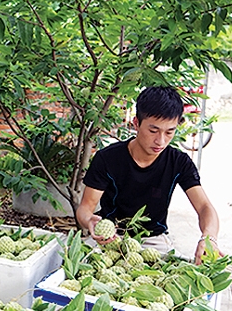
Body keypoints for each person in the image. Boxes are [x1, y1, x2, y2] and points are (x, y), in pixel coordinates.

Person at [76, 86, 221, 263]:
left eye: (169, 132)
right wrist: (90, 221)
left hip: (153, 239)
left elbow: (205, 207)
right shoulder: (108, 158)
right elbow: (85, 207)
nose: (160, 141)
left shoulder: (179, 162)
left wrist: (209, 238)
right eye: (153, 131)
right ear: (136, 123)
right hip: (110, 236)